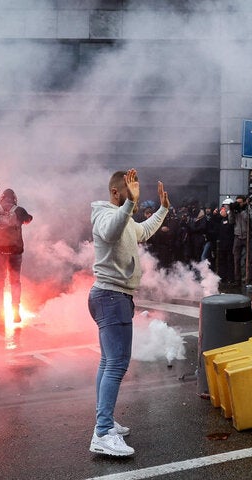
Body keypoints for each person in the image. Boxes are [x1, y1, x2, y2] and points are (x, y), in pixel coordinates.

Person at [88, 168, 170, 457]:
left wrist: (162, 210)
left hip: (112, 296)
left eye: (136, 190)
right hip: (110, 296)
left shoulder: (123, 217)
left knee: (108, 361)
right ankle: (102, 432)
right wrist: (128, 205)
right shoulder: (103, 215)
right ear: (114, 193)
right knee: (117, 364)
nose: (135, 196)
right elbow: (110, 233)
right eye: (129, 191)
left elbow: (143, 231)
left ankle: (105, 421)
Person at [0, 188, 33, 325]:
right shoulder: (19, 210)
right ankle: (16, 312)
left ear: (1, 198)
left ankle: (0, 318)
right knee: (15, 282)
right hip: (15, 253)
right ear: (14, 198)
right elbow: (29, 220)